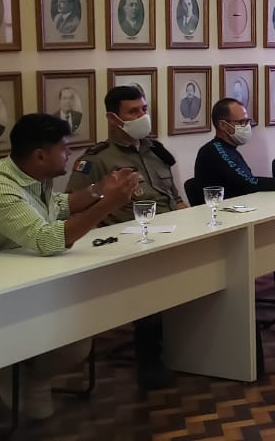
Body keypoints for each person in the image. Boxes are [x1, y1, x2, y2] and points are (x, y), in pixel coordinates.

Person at [0, 113, 141, 418]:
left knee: (77, 338)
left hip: (30, 271)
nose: (69, 153)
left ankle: (30, 374)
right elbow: (47, 240)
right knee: (71, 340)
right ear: (40, 155)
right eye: (64, 148)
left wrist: (99, 189)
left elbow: (58, 206)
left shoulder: (32, 175)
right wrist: (109, 203)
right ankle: (8, 364)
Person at [66, 85, 186, 390]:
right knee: (152, 280)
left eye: (143, 109)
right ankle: (150, 360)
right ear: (112, 118)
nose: (142, 116)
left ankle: (193, 345)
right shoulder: (96, 160)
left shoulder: (156, 151)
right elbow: (73, 207)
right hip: (130, 242)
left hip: (171, 232)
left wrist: (193, 220)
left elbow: (174, 197)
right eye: (133, 112)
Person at [194, 98, 275, 199]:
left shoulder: (230, 149)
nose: (247, 126)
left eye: (247, 121)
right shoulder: (214, 151)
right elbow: (250, 183)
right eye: (241, 122)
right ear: (223, 125)